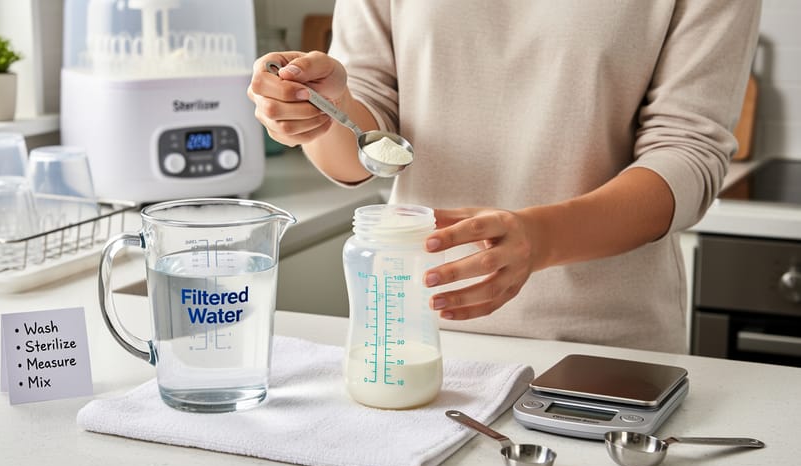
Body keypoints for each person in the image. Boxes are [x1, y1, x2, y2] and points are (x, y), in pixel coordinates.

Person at [247, 1, 761, 353]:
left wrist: (542, 239)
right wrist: (320, 113)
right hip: (418, 333)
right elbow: (363, 141)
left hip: (603, 347)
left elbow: (686, 152)